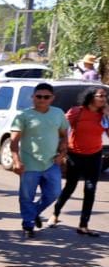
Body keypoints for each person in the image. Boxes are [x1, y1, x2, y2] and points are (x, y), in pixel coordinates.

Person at [9, 83, 68, 239]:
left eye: (46, 97)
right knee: (26, 196)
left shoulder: (58, 113)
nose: (42, 100)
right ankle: (28, 224)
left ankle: (33, 213)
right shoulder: (24, 116)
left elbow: (64, 135)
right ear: (32, 97)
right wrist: (16, 160)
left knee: (54, 193)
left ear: (52, 98)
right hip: (29, 163)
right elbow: (14, 141)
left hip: (51, 163)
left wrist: (62, 152)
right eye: (38, 96)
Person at [52, 87, 108, 236]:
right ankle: (55, 214)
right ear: (91, 97)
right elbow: (61, 127)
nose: (104, 99)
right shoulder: (78, 111)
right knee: (70, 186)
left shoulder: (104, 115)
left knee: (90, 190)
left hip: (95, 155)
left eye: (105, 96)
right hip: (75, 155)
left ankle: (83, 225)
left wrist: (108, 116)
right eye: (101, 96)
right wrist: (60, 148)